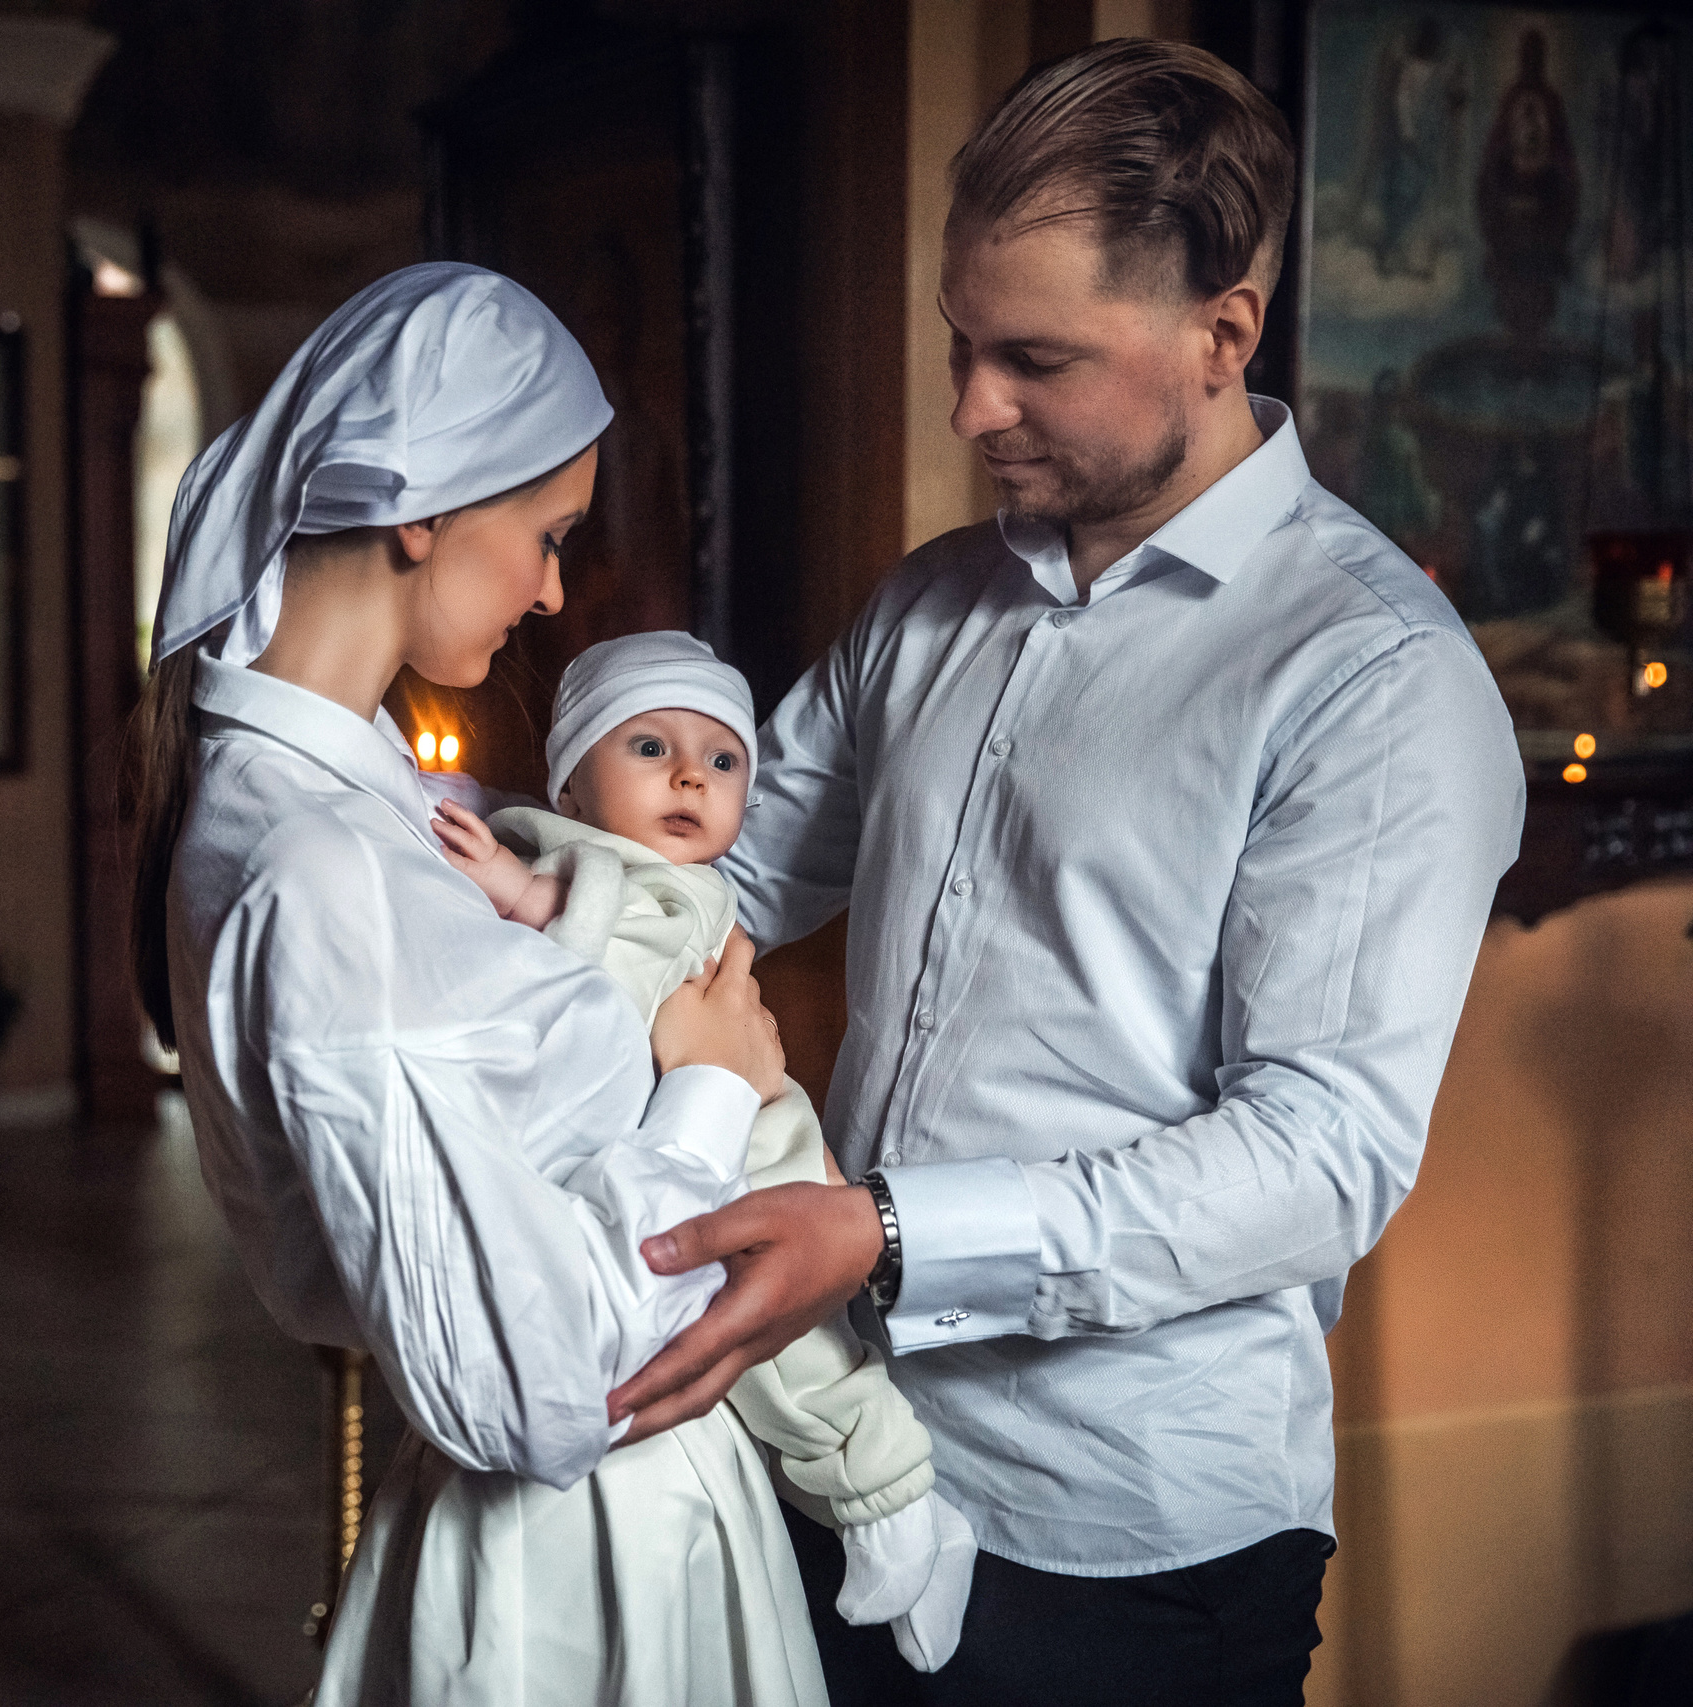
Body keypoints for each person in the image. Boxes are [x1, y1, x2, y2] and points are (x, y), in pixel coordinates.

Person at [608, 40, 1527, 1705]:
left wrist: (883, 1232)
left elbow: (1319, 1160)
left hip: (1125, 1537)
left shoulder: (1376, 676)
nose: (971, 409)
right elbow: (715, 872)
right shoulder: (934, 601)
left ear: (1222, 335)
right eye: (964, 346)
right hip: (837, 1449)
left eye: (1034, 359)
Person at [128, 262, 822, 1704]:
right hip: (574, 1562)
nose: (557, 586)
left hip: (642, 1515)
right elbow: (534, 1385)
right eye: (548, 533)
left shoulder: (375, 803)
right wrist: (705, 1085)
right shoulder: (321, 871)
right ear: (424, 509)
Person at [432, 629, 975, 1671]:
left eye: (722, 761)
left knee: (790, 1358)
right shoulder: (604, 861)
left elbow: (609, 964)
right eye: (648, 747)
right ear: (571, 788)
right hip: (701, 1144)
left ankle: (896, 1508)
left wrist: (520, 891)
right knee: (773, 1353)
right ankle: (890, 1508)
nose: (691, 774)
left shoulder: (670, 887)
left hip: (749, 1163)